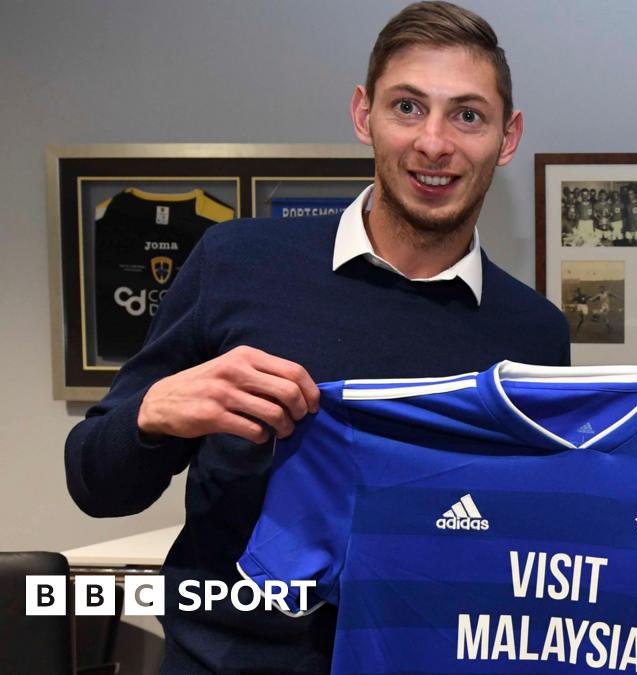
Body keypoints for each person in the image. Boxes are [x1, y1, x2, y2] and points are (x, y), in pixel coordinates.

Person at [63, 2, 570, 672]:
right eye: (408, 107)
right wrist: (153, 415)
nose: (435, 142)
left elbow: (538, 541)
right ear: (364, 115)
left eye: (468, 115)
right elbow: (95, 482)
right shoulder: (236, 262)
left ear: (508, 137)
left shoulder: (536, 333)